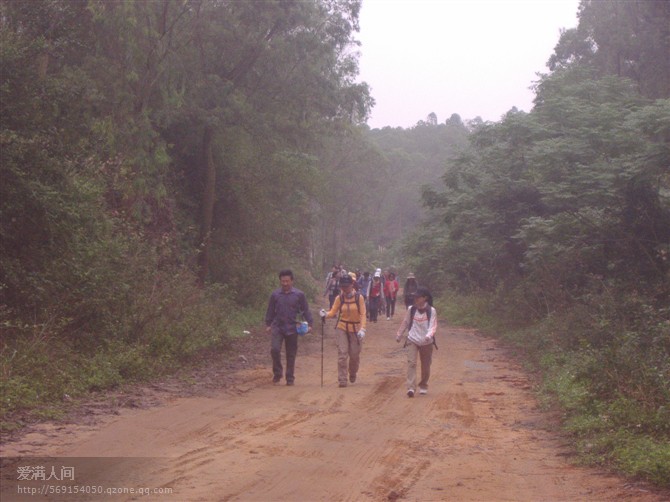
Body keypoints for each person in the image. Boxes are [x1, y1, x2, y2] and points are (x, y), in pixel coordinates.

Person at [265, 269, 314, 386]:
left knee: (291, 353)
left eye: (287, 281)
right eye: (283, 281)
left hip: (292, 327)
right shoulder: (275, 295)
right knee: (275, 349)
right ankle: (277, 373)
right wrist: (268, 324)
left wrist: (310, 324)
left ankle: (290, 377)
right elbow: (270, 310)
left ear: (292, 281)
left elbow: (305, 310)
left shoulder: (299, 295)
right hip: (278, 327)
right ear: (280, 281)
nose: (285, 283)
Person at [320, 274, 367, 387]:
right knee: (342, 354)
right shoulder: (339, 298)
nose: (345, 289)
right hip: (341, 328)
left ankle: (353, 372)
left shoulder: (358, 298)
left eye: (347, 286)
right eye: (343, 286)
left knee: (354, 355)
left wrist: (363, 328)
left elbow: (363, 314)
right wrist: (325, 314)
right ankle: (342, 379)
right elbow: (333, 312)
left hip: (356, 329)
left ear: (352, 285)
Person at [395, 286, 437, 397]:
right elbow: (405, 322)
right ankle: (411, 387)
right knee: (411, 363)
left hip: (426, 342)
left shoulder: (431, 311)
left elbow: (433, 326)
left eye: (418, 297)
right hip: (412, 339)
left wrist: (428, 336)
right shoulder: (411, 309)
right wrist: (399, 334)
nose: (416, 299)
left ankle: (423, 385)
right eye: (415, 297)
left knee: (426, 365)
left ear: (425, 298)